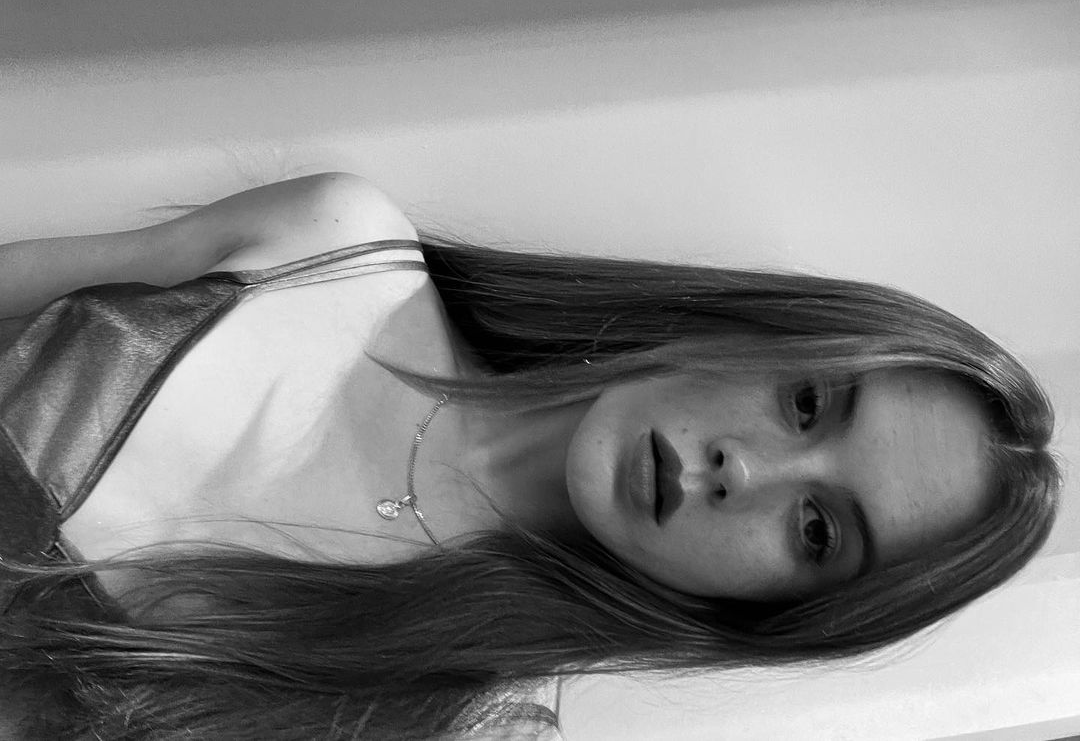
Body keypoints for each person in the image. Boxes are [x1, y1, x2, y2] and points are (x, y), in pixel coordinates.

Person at [0, 171, 1062, 741]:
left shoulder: (464, 725)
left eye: (818, 527)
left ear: (782, 608)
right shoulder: (335, 242)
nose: (747, 471)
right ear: (756, 330)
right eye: (806, 402)